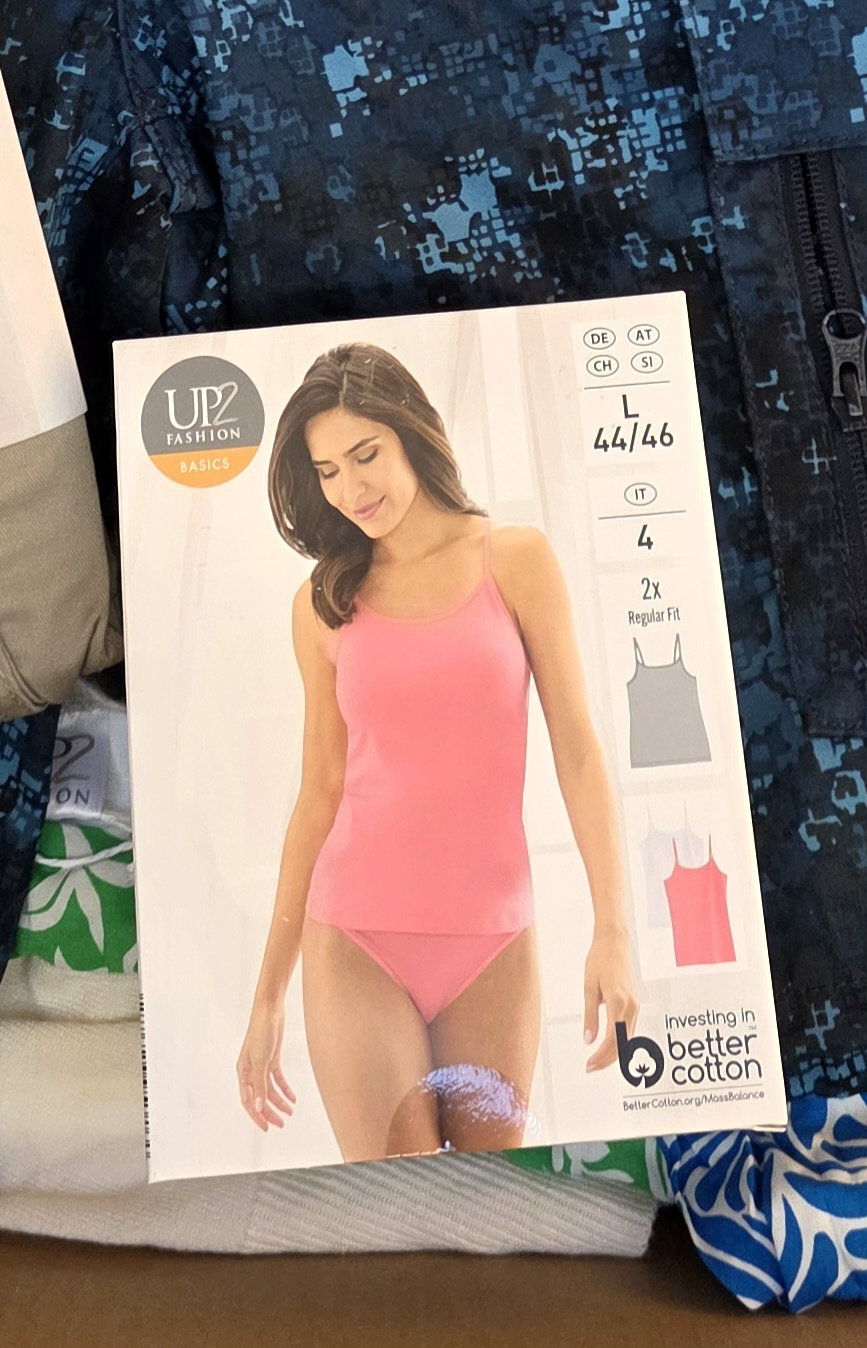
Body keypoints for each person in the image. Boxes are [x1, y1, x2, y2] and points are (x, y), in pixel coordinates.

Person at [236, 343, 636, 1159]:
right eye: (327, 471)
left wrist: (613, 929)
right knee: (402, 1203)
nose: (350, 489)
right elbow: (320, 793)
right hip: (355, 939)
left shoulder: (515, 560)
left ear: (412, 432)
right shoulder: (323, 604)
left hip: (493, 941)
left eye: (365, 455)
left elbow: (579, 753)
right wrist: (268, 994)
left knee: (489, 1197)